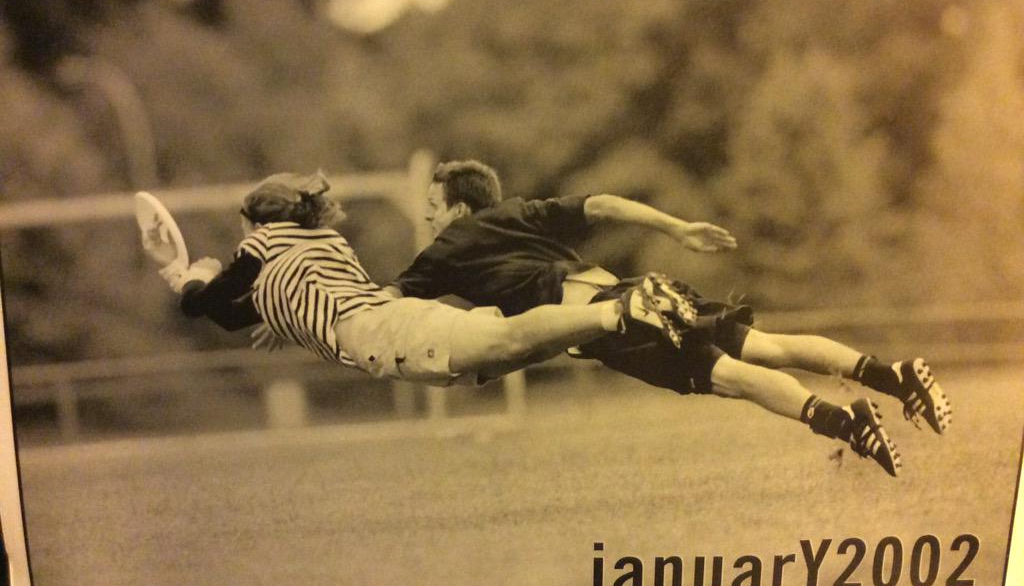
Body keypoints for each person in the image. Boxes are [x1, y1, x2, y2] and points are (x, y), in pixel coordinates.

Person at [380, 159, 953, 477]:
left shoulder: (447, 248)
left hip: (614, 321)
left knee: (727, 378)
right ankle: (890, 375)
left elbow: (381, 301)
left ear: (457, 210)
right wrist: (677, 227)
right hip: (634, 290)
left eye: (431, 209)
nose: (427, 220)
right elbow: (602, 204)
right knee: (766, 348)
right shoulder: (514, 215)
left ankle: (847, 421)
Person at [153, 171, 692, 389]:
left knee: (511, 338)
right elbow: (237, 311)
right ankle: (614, 315)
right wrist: (265, 310)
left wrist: (190, 279)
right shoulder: (323, 245)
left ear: (258, 220)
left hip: (376, 333)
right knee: (515, 346)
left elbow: (212, 305)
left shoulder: (265, 239)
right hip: (381, 326)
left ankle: (621, 310)